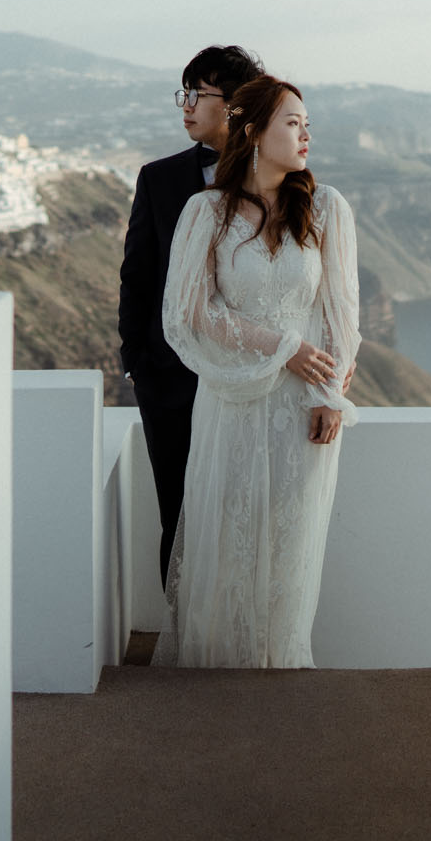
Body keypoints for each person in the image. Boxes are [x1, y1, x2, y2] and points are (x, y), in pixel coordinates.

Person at [156, 75, 360, 668]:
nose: (306, 136)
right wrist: (283, 346)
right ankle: (217, 685)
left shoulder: (326, 207)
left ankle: (282, 673)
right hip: (231, 400)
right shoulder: (206, 212)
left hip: (303, 408)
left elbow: (342, 313)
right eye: (293, 123)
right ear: (253, 131)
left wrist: (329, 391)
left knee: (289, 548)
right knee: (227, 543)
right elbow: (191, 309)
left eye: (307, 125)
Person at [119, 44, 265, 582]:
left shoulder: (275, 180)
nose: (185, 106)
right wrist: (136, 359)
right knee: (177, 518)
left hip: (251, 382)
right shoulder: (157, 179)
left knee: (246, 516)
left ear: (233, 107)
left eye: (197, 95)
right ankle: (180, 654)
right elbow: (137, 277)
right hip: (168, 382)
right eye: (184, 93)